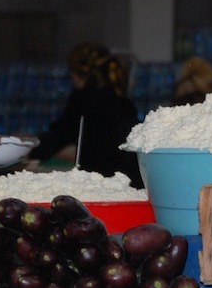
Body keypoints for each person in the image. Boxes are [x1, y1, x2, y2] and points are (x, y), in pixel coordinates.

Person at [29, 42, 144, 187]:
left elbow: (56, 138)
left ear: (75, 76)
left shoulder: (84, 101)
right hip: (131, 183)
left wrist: (26, 148)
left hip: (100, 184)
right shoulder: (125, 103)